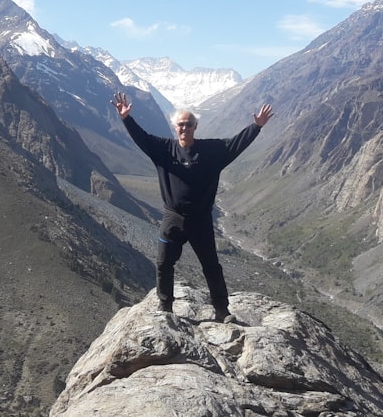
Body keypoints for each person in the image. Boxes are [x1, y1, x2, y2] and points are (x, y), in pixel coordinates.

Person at [112, 92, 273, 322]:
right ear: (174, 127)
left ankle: (221, 310)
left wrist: (256, 127)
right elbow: (142, 138)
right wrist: (127, 119)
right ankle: (165, 306)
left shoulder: (211, 151)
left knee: (211, 266)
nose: (184, 128)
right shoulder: (164, 149)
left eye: (188, 124)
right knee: (164, 263)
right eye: (180, 125)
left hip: (201, 220)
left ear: (195, 127)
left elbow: (236, 144)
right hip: (173, 219)